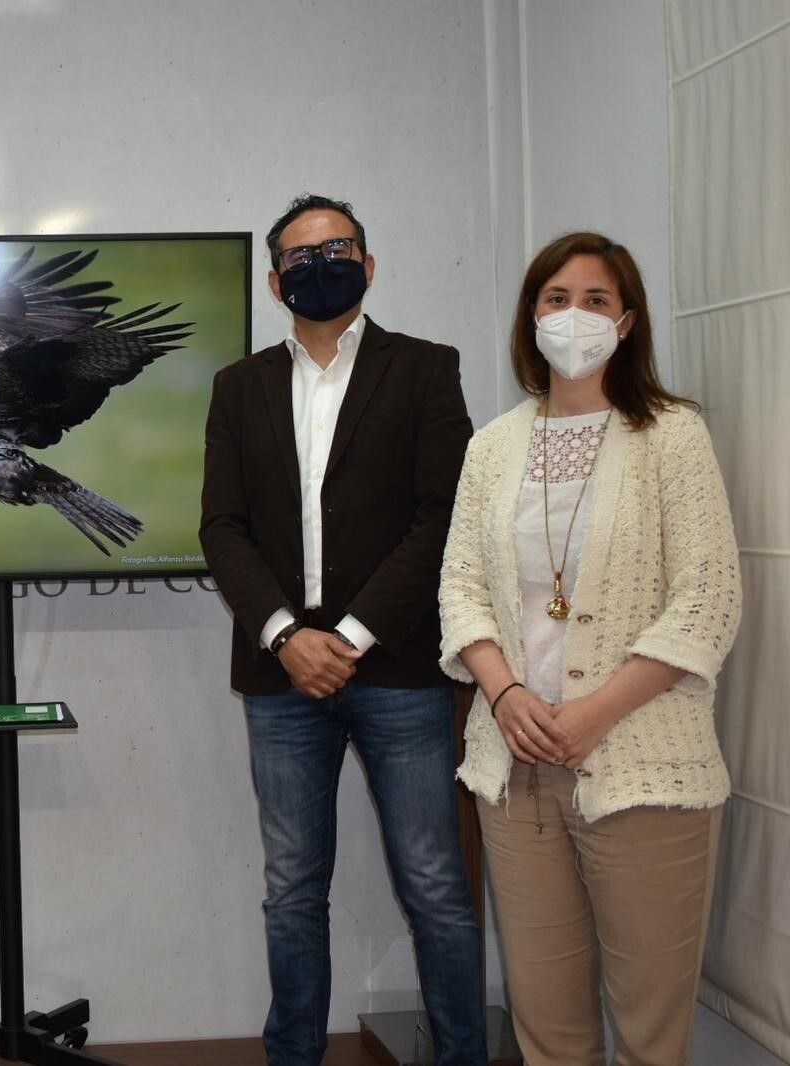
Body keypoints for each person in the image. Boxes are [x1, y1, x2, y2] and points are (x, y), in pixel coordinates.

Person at [439, 232, 741, 1064]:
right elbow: (460, 588)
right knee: (547, 1028)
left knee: (649, 1031)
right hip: (515, 765)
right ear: (530, 318)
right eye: (555, 299)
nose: (574, 316)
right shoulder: (494, 446)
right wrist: (505, 695)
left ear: (629, 320)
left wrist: (594, 714)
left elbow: (709, 599)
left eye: (596, 300)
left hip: (643, 768)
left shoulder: (670, 435)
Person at [201, 194, 486, 1065]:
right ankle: (293, 1055)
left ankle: (463, 1054)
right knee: (291, 890)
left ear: (368, 263)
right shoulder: (239, 385)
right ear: (276, 276)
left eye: (338, 247)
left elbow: (444, 517)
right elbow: (222, 527)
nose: (319, 264)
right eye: (299, 253)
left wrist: (352, 634)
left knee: (435, 887)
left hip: (399, 669)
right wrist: (287, 635)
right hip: (281, 680)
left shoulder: (427, 370)